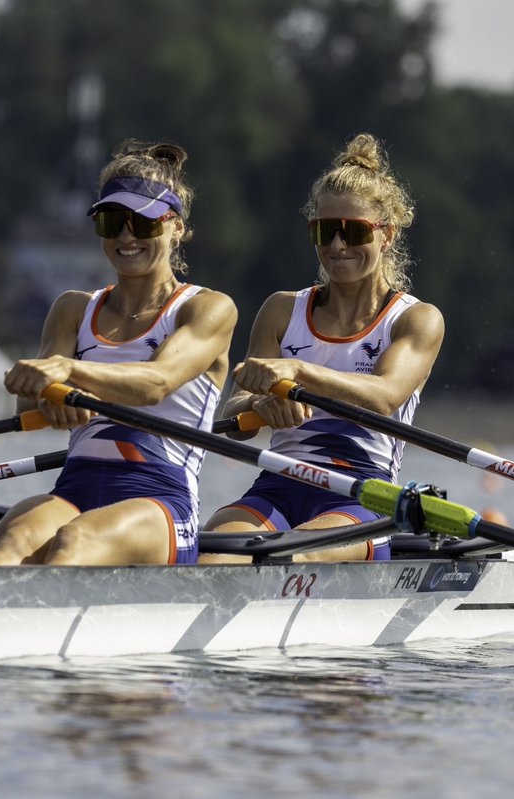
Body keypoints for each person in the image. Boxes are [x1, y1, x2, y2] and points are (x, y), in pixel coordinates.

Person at [0, 141, 236, 567]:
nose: (126, 236)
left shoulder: (206, 308)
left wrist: (67, 373)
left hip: (161, 501)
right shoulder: (73, 309)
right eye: (113, 221)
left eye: (143, 223)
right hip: (74, 489)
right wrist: (49, 396)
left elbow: (155, 385)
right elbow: (29, 407)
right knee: (16, 537)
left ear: (176, 227)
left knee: (74, 543)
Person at [202, 133, 444, 562]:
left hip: (362, 498)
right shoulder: (281, 310)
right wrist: (259, 401)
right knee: (215, 555)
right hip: (277, 486)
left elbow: (385, 396)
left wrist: (297, 374)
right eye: (325, 230)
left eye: (353, 232)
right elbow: (234, 419)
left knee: (292, 556)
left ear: (385, 235)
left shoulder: (415, 319)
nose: (337, 246)